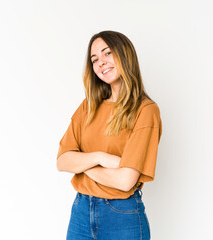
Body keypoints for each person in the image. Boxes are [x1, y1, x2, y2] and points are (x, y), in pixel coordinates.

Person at [56, 30, 162, 240]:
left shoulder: (145, 110)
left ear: (125, 55)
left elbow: (125, 180)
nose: (101, 62)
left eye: (107, 53)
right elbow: (62, 161)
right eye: (95, 59)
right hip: (81, 212)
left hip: (121, 216)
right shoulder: (88, 107)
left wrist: (82, 166)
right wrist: (99, 158)